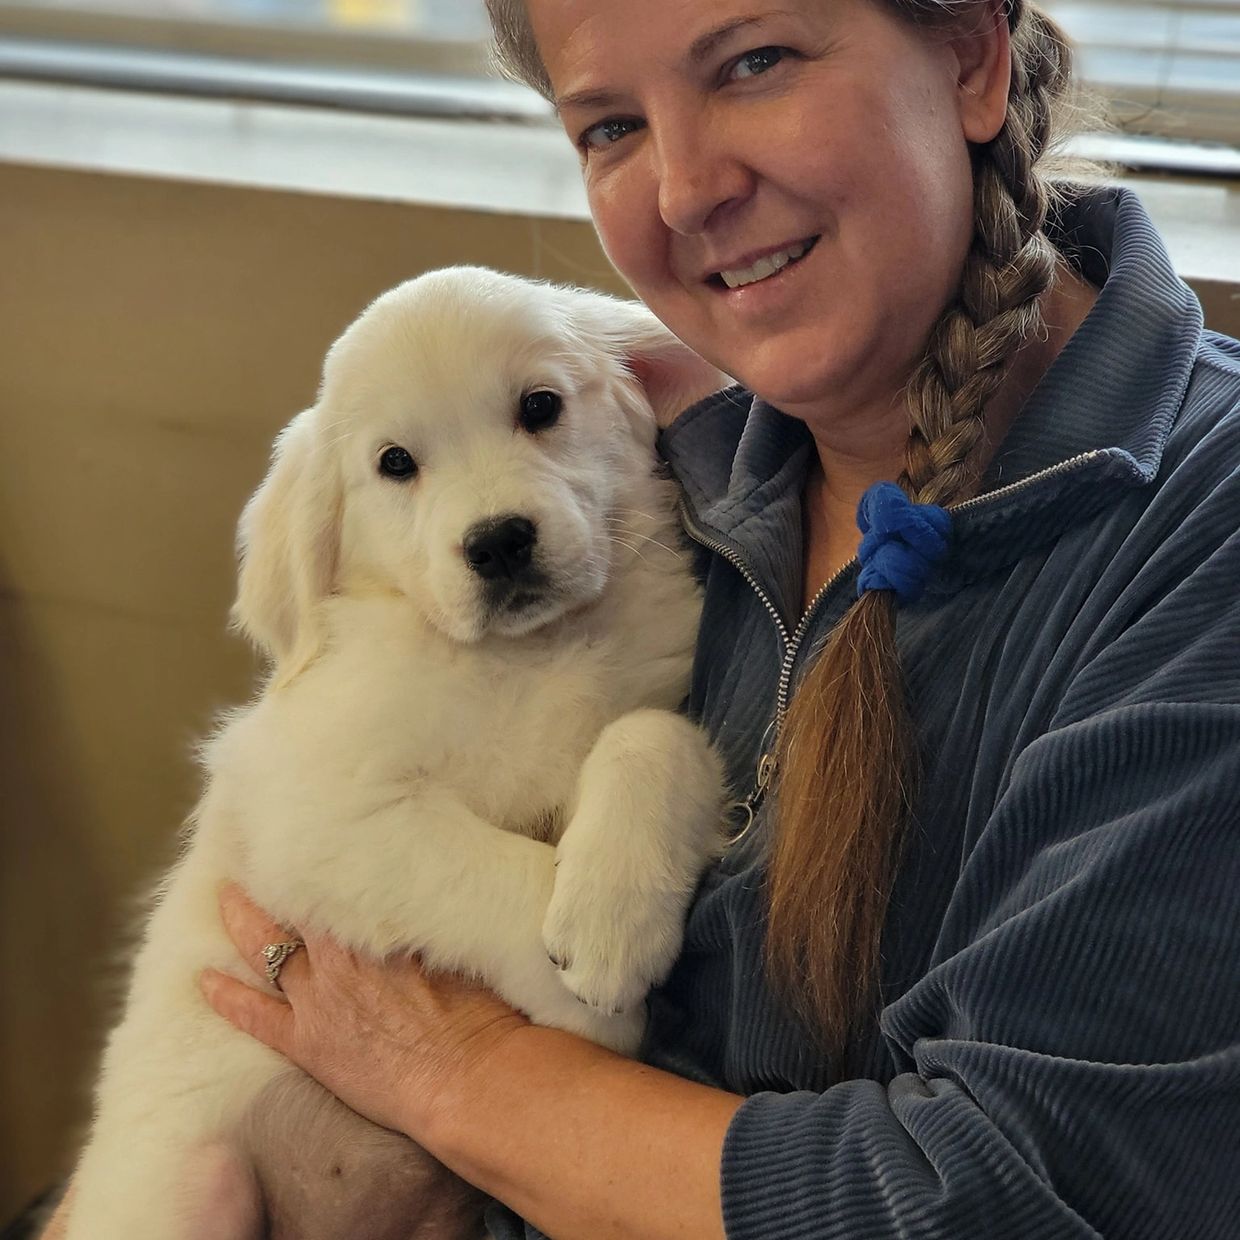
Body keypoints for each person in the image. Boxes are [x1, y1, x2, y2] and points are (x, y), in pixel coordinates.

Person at [38, 0, 1240, 1236]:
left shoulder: (1201, 541)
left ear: (973, 57)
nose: (684, 189)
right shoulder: (673, 475)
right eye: (609, 125)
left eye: (755, 61)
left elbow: (991, 1199)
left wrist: (449, 1071)